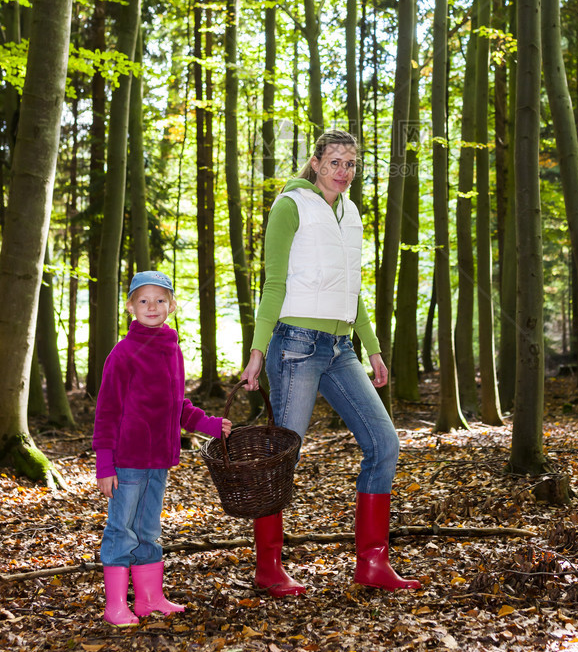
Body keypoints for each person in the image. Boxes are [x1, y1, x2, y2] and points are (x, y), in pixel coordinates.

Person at [241, 129, 420, 597]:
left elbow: (351, 291)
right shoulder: (290, 206)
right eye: (335, 161)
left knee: (384, 444)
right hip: (295, 345)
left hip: (343, 350)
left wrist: (374, 348)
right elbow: (274, 284)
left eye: (351, 164)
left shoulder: (351, 212)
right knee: (283, 458)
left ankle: (372, 563)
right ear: (316, 162)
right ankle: (269, 568)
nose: (344, 171)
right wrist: (258, 352)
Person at [93, 270, 231, 626]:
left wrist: (209, 425)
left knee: (149, 529)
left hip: (159, 459)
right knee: (122, 528)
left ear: (171, 305)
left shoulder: (172, 349)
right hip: (127, 460)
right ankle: (114, 607)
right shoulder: (123, 354)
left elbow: (176, 404)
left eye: (159, 300)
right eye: (143, 300)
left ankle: (150, 599)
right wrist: (105, 465)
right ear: (129, 307)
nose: (151, 306)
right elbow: (107, 412)